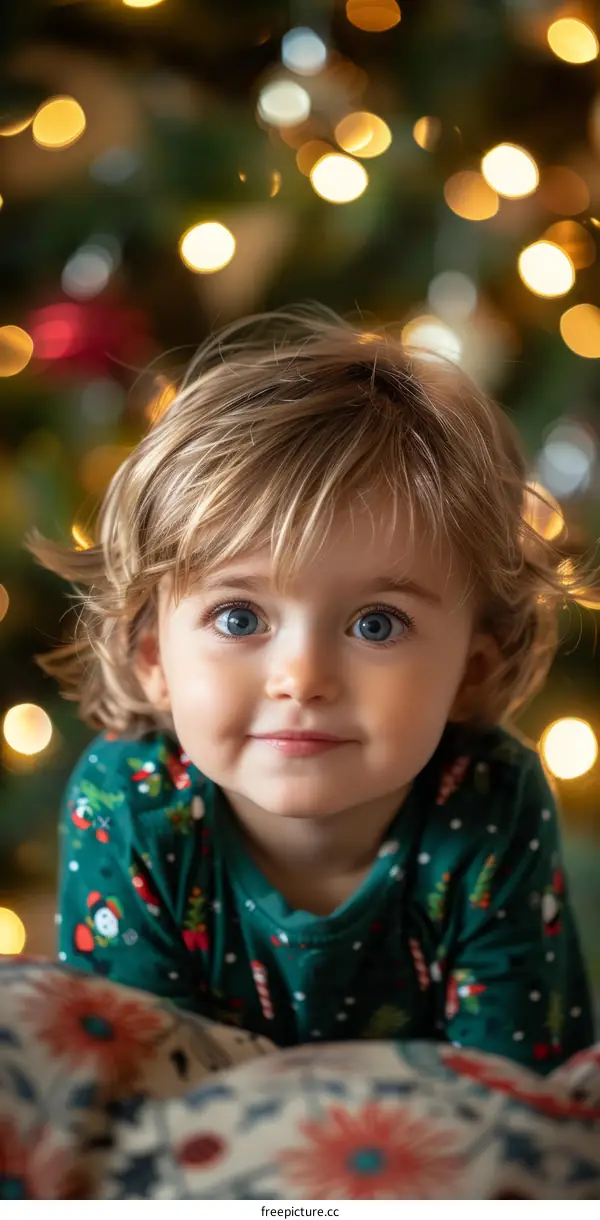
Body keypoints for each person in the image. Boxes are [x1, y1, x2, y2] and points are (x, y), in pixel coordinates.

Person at [27, 304, 597, 1072]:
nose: (302, 679)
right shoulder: (130, 805)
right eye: (238, 616)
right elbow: (129, 1097)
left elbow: (517, 1104)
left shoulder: (490, 802)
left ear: (472, 672)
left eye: (376, 625)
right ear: (153, 657)